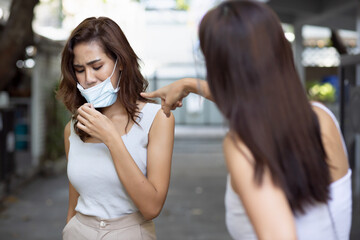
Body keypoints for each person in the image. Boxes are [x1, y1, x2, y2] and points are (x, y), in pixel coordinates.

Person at [141, 1, 352, 239]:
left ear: (220, 68)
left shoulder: (245, 145)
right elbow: (257, 104)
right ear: (281, 49)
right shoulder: (322, 118)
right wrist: (190, 85)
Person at [57, 17, 175, 240]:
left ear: (120, 62)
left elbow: (152, 207)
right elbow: (74, 203)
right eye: (79, 69)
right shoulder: (73, 128)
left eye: (97, 66)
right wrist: (69, 228)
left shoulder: (157, 119)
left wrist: (111, 138)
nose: (88, 78)